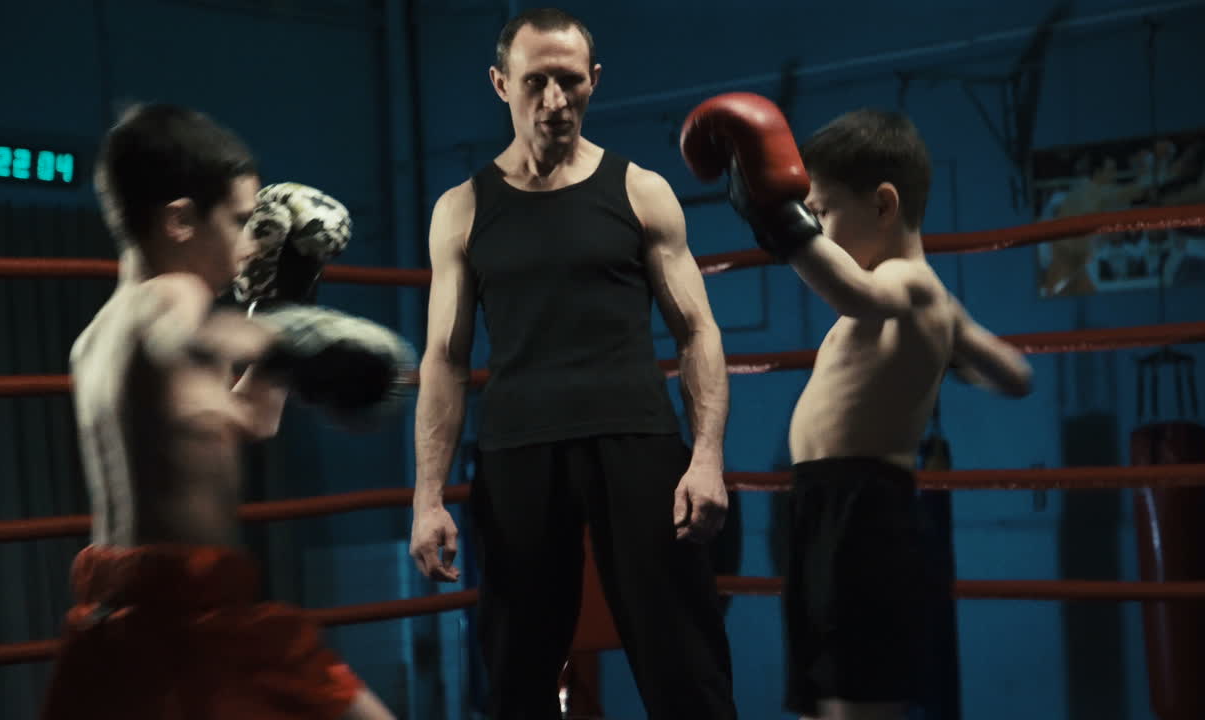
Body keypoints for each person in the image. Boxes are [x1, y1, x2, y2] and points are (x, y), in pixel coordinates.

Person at [408, 8, 736, 719]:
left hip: (637, 441)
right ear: (501, 84)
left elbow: (698, 331)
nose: (555, 99)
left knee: (686, 665)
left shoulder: (640, 190)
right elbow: (444, 358)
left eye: (570, 80)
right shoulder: (462, 209)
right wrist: (427, 497)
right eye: (536, 82)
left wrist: (707, 456)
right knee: (516, 675)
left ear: (594, 81)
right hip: (517, 451)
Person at [40, 103, 411, 720]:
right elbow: (180, 335)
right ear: (180, 220)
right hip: (194, 617)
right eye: (239, 221)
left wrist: (284, 308)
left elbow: (251, 421)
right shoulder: (172, 296)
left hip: (114, 618)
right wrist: (278, 338)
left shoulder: (96, 337)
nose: (248, 242)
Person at [681, 95, 1033, 720]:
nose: (815, 227)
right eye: (808, 216)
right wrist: (945, 352)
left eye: (820, 212)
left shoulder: (906, 281)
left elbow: (856, 294)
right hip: (825, 505)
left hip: (863, 509)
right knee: (820, 692)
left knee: (856, 694)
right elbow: (1016, 375)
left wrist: (777, 219)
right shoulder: (934, 303)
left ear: (883, 205)